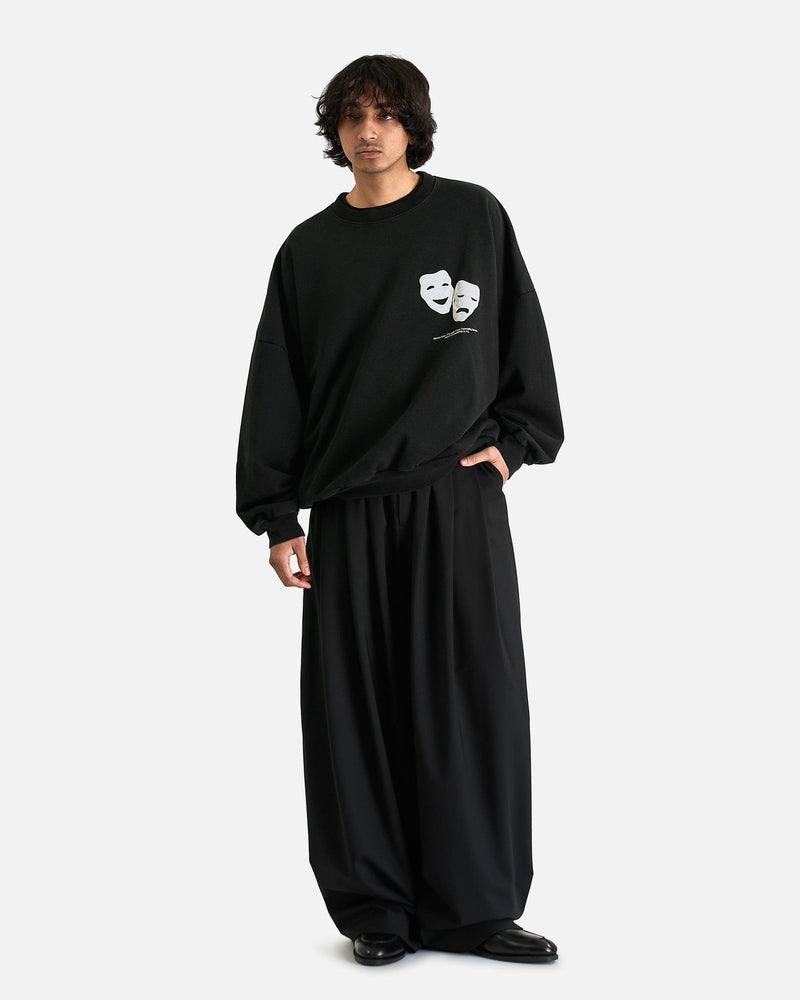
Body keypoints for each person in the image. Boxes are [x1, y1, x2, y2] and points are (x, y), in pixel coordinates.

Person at [235, 53, 565, 966]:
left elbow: (521, 340)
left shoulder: (472, 217)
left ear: (414, 124)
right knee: (357, 713)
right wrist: (278, 517)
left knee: (471, 700)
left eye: (385, 113)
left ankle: (475, 907)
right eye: (352, 115)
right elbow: (278, 389)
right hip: (348, 510)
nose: (368, 130)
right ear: (334, 130)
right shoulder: (309, 250)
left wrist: (515, 445)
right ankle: (376, 910)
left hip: (455, 499)